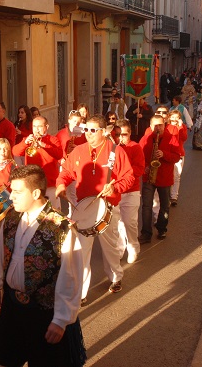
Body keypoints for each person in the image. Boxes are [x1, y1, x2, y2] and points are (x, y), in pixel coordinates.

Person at [0, 165, 86, 367]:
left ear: (35, 193)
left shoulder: (62, 227)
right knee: (6, 361)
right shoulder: (12, 217)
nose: (11, 196)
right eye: (11, 190)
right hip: (12, 307)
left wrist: (60, 320)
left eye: (17, 191)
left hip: (44, 313)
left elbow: (71, 277)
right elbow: (1, 252)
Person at [56, 115, 135, 299]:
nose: (88, 134)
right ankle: (81, 293)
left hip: (107, 207)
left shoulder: (116, 151)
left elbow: (129, 177)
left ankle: (116, 277)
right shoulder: (79, 150)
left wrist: (115, 187)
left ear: (103, 132)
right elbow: (67, 172)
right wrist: (61, 184)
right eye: (86, 130)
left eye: (93, 130)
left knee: (110, 247)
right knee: (82, 252)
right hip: (83, 209)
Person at [138, 115, 181, 244]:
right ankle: (146, 233)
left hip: (165, 178)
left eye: (160, 125)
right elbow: (139, 157)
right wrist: (144, 167)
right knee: (146, 206)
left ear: (164, 125)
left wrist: (164, 154)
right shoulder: (145, 139)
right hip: (149, 177)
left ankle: (162, 228)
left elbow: (177, 157)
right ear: (150, 127)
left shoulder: (171, 139)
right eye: (155, 125)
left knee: (164, 206)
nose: (158, 128)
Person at [12, 116, 63, 209]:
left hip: (49, 184)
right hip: (33, 183)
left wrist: (44, 145)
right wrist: (25, 143)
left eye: (39, 126)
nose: (36, 129)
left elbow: (59, 154)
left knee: (52, 211)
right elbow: (15, 152)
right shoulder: (27, 139)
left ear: (46, 127)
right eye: (34, 126)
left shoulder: (53, 140)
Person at [115, 120, 145, 264]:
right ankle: (120, 248)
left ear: (130, 134)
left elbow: (139, 169)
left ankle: (133, 247)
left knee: (130, 222)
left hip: (131, 190)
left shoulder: (135, 148)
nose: (121, 138)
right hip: (116, 191)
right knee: (118, 222)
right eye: (118, 135)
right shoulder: (113, 148)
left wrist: (125, 175)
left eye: (124, 135)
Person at [55, 110, 87, 214]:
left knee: (73, 194)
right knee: (63, 193)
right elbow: (56, 149)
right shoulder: (61, 134)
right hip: (63, 166)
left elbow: (87, 149)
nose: (75, 125)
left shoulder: (81, 134)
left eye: (78, 123)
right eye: (73, 122)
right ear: (69, 120)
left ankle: (74, 215)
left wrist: (78, 148)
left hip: (75, 166)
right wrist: (61, 159)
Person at [167, 110, 188, 206]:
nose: (175, 119)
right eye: (173, 117)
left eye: (177, 117)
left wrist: (180, 127)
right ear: (169, 117)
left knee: (177, 176)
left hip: (179, 153)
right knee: (168, 175)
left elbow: (183, 138)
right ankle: (167, 194)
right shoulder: (166, 127)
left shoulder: (182, 127)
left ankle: (174, 196)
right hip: (168, 153)